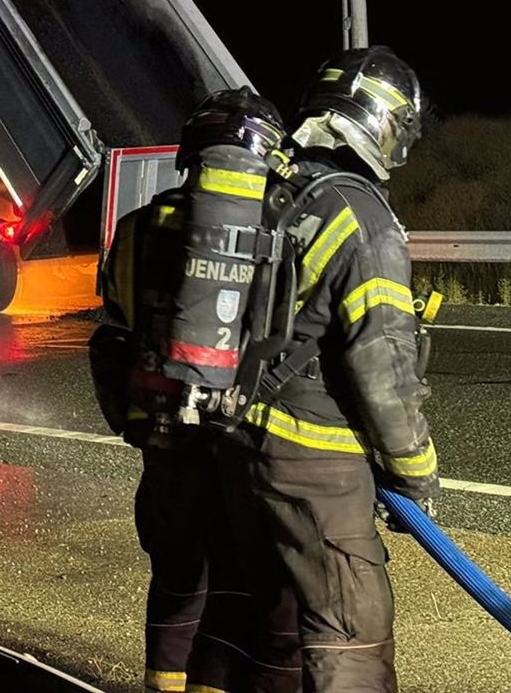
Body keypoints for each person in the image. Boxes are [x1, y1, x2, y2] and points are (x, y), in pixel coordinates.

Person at [220, 46, 439, 693]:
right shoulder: (364, 219)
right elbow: (382, 364)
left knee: (278, 633)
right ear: (379, 123)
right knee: (351, 636)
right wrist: (415, 473)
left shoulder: (274, 192)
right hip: (316, 461)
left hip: (239, 442)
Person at [92, 87, 287, 693]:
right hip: (239, 449)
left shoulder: (135, 229)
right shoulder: (272, 234)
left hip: (163, 443)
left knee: (176, 588)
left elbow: (117, 328)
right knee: (240, 602)